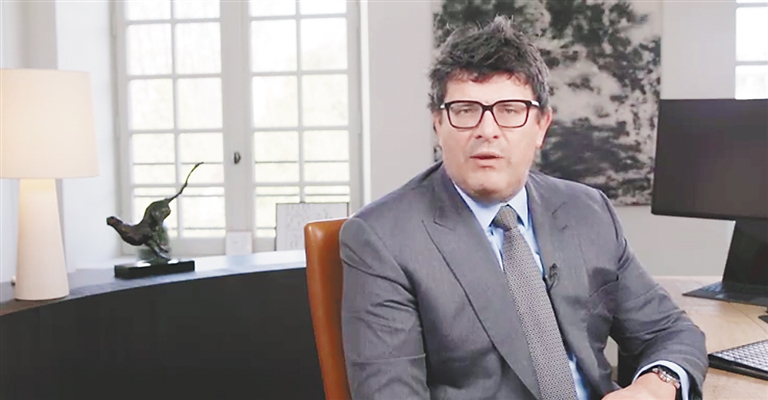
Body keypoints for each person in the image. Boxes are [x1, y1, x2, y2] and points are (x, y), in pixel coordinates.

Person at [339, 16, 707, 400]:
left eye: (510, 110)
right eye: (465, 110)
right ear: (438, 125)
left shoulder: (587, 210)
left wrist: (651, 389)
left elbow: (671, 332)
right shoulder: (382, 239)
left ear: (542, 125)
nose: (487, 130)